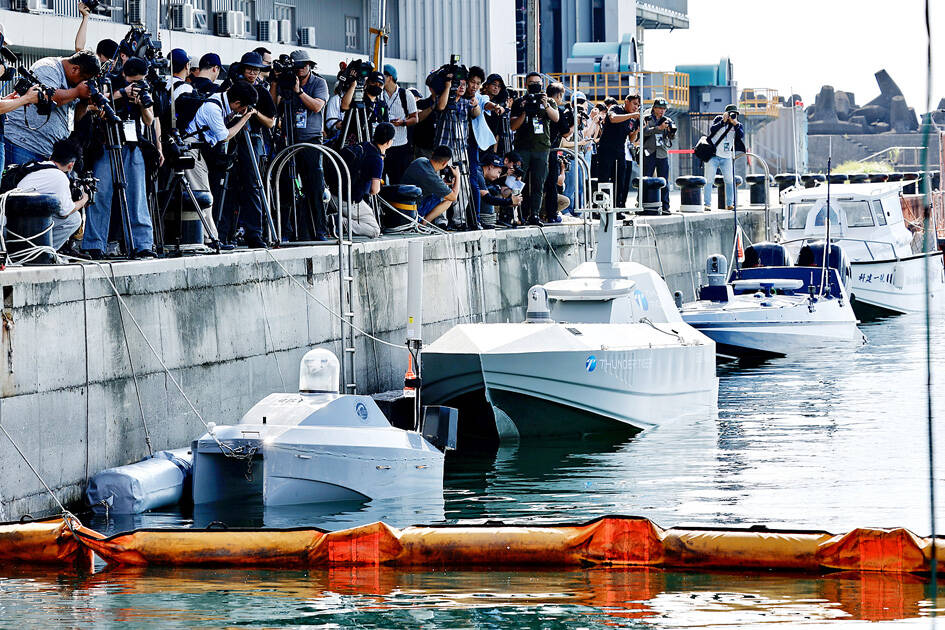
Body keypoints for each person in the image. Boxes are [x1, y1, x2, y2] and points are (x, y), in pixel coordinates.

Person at [217, 52, 276, 248]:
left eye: (256, 70)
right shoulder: (230, 87)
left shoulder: (262, 92)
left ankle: (254, 234)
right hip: (232, 139)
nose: (252, 73)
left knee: (253, 187)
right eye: (249, 69)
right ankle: (223, 233)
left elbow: (271, 122)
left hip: (253, 140)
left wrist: (253, 113)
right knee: (228, 186)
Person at [5, 50, 100, 166]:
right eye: (84, 78)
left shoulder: (74, 85)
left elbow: (76, 118)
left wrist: (84, 101)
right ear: (75, 69)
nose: (83, 83)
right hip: (21, 143)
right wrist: (76, 92)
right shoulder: (48, 67)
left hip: (46, 150)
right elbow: (46, 98)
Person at [15, 139, 89, 250]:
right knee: (74, 219)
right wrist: (84, 200)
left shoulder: (36, 165)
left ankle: (32, 251)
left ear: (51, 157)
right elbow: (65, 212)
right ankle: (43, 253)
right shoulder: (59, 177)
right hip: (25, 225)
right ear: (70, 165)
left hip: (13, 222)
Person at [509, 72, 559, 225]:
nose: (534, 86)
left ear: (542, 84)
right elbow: (513, 126)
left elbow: (556, 118)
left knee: (538, 183)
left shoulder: (549, 101)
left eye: (537, 83)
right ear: (526, 85)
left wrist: (545, 104)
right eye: (531, 83)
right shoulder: (519, 102)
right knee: (517, 181)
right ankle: (515, 215)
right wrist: (524, 111)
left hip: (541, 148)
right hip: (522, 148)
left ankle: (535, 215)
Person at [335, 122, 395, 238]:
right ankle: (338, 222)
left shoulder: (363, 145)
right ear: (388, 142)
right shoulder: (377, 160)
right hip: (350, 201)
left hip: (335, 193)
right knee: (374, 230)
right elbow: (374, 190)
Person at [595, 93, 639, 208]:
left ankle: (617, 207)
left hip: (620, 151)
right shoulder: (616, 109)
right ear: (626, 102)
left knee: (620, 179)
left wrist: (638, 130)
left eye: (638, 106)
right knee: (604, 178)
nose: (636, 107)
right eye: (634, 104)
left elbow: (631, 138)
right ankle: (601, 207)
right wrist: (632, 115)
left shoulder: (632, 119)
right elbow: (613, 118)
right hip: (606, 148)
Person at [465, 66, 496, 227]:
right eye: (472, 82)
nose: (474, 86)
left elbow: (486, 104)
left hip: (472, 145)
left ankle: (475, 218)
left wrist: (496, 107)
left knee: (473, 181)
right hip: (455, 142)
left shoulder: (479, 97)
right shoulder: (457, 94)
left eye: (478, 83)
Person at [401, 145, 459, 225]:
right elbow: (453, 197)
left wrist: (442, 183)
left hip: (403, 202)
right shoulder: (431, 177)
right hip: (412, 209)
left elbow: (425, 182)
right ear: (445, 163)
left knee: (442, 193)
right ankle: (423, 223)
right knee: (448, 199)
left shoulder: (420, 160)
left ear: (432, 154)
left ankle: (422, 221)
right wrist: (457, 176)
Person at [703, 103, 746, 211]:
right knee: (709, 180)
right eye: (730, 114)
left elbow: (741, 135)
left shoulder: (737, 125)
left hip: (726, 157)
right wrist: (723, 121)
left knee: (729, 180)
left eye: (734, 114)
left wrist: (735, 124)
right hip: (713, 155)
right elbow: (712, 130)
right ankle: (707, 204)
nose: (732, 116)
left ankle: (730, 203)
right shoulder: (719, 119)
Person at [380, 64, 417, 185]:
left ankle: (396, 204)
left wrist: (403, 123)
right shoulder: (379, 94)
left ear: (390, 77)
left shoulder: (406, 95)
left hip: (400, 145)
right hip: (382, 145)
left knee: (399, 181)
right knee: (380, 180)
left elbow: (415, 118)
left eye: (382, 76)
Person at [641, 97, 676, 214]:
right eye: (660, 108)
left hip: (662, 153)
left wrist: (670, 131)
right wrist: (658, 128)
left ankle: (665, 206)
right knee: (646, 179)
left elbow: (672, 137)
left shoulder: (667, 120)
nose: (662, 111)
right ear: (654, 108)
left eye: (664, 109)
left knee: (665, 181)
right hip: (649, 152)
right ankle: (642, 204)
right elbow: (644, 132)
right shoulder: (646, 118)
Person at [479, 151, 521, 228]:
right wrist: (510, 201)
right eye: (498, 172)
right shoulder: (478, 174)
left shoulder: (480, 173)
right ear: (491, 166)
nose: (498, 176)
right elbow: (487, 198)